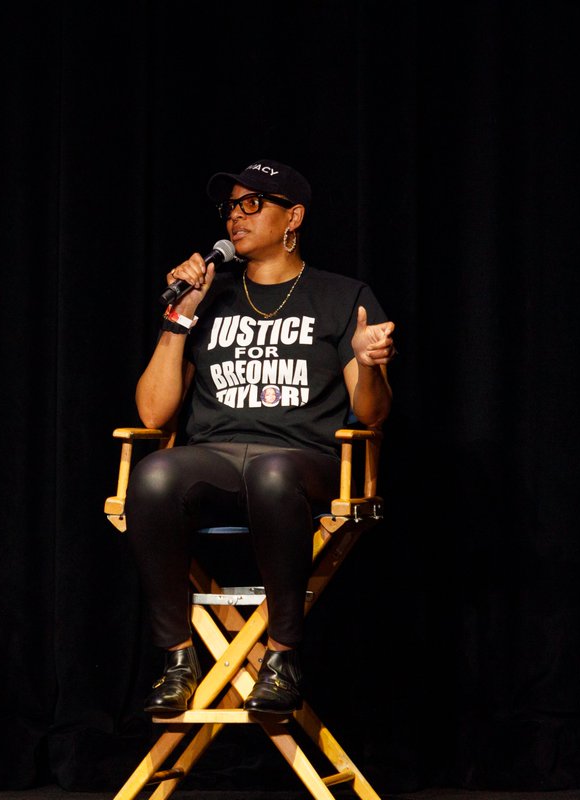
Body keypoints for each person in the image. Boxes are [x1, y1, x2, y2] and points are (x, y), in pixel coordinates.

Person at [125, 158, 396, 716]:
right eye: (230, 207)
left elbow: (371, 416)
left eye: (253, 204)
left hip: (305, 461)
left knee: (272, 473)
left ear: (292, 217)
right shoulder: (212, 298)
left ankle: (282, 656)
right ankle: (176, 659)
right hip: (218, 458)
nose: (235, 217)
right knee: (152, 474)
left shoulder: (340, 296)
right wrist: (180, 319)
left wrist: (369, 364)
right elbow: (153, 413)